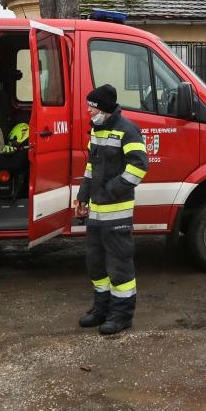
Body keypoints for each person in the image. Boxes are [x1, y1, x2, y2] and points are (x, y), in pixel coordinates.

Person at [75, 83, 148, 335]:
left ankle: (122, 315)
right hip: (96, 212)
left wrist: (111, 190)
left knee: (119, 266)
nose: (88, 111)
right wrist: (83, 195)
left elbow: (139, 167)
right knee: (95, 263)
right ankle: (101, 309)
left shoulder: (128, 131)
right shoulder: (97, 129)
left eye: (91, 107)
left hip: (117, 211)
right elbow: (90, 168)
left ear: (104, 109)